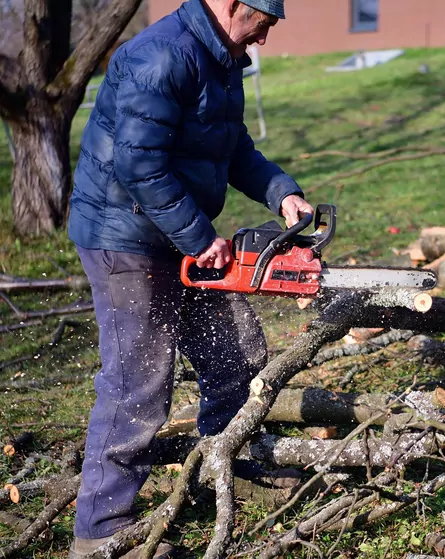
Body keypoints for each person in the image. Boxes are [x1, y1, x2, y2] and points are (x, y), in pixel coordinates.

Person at [66, 0, 311, 556]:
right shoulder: (161, 56)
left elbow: (233, 147)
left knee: (237, 351)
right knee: (137, 383)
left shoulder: (221, 59)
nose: (264, 40)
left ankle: (223, 462)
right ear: (233, 4)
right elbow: (138, 164)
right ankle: (100, 531)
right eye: (262, 25)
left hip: (176, 234)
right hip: (124, 236)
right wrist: (201, 238)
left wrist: (282, 193)